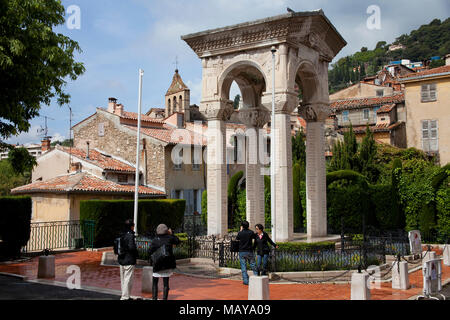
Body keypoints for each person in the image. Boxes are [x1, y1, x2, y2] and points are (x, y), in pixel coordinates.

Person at [148, 224, 180, 300]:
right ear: (166, 230)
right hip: (167, 264)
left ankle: (154, 298)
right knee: (166, 284)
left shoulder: (155, 240)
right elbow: (178, 241)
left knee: (155, 283)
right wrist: (171, 234)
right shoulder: (169, 238)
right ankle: (164, 298)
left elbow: (149, 251)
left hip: (157, 264)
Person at [118, 219, 138, 300]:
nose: (134, 227)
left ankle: (125, 295)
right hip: (129, 259)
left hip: (121, 258)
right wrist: (136, 253)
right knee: (128, 279)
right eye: (133, 226)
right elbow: (132, 247)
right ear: (131, 226)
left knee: (123, 279)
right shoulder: (130, 235)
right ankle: (125, 297)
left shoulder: (121, 234)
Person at [236, 220, 258, 285]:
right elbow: (255, 237)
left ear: (242, 226)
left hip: (242, 251)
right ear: (248, 226)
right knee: (253, 264)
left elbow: (237, 238)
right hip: (249, 251)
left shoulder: (240, 233)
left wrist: (240, 230)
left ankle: (246, 281)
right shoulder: (251, 232)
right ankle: (256, 278)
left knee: (243, 266)